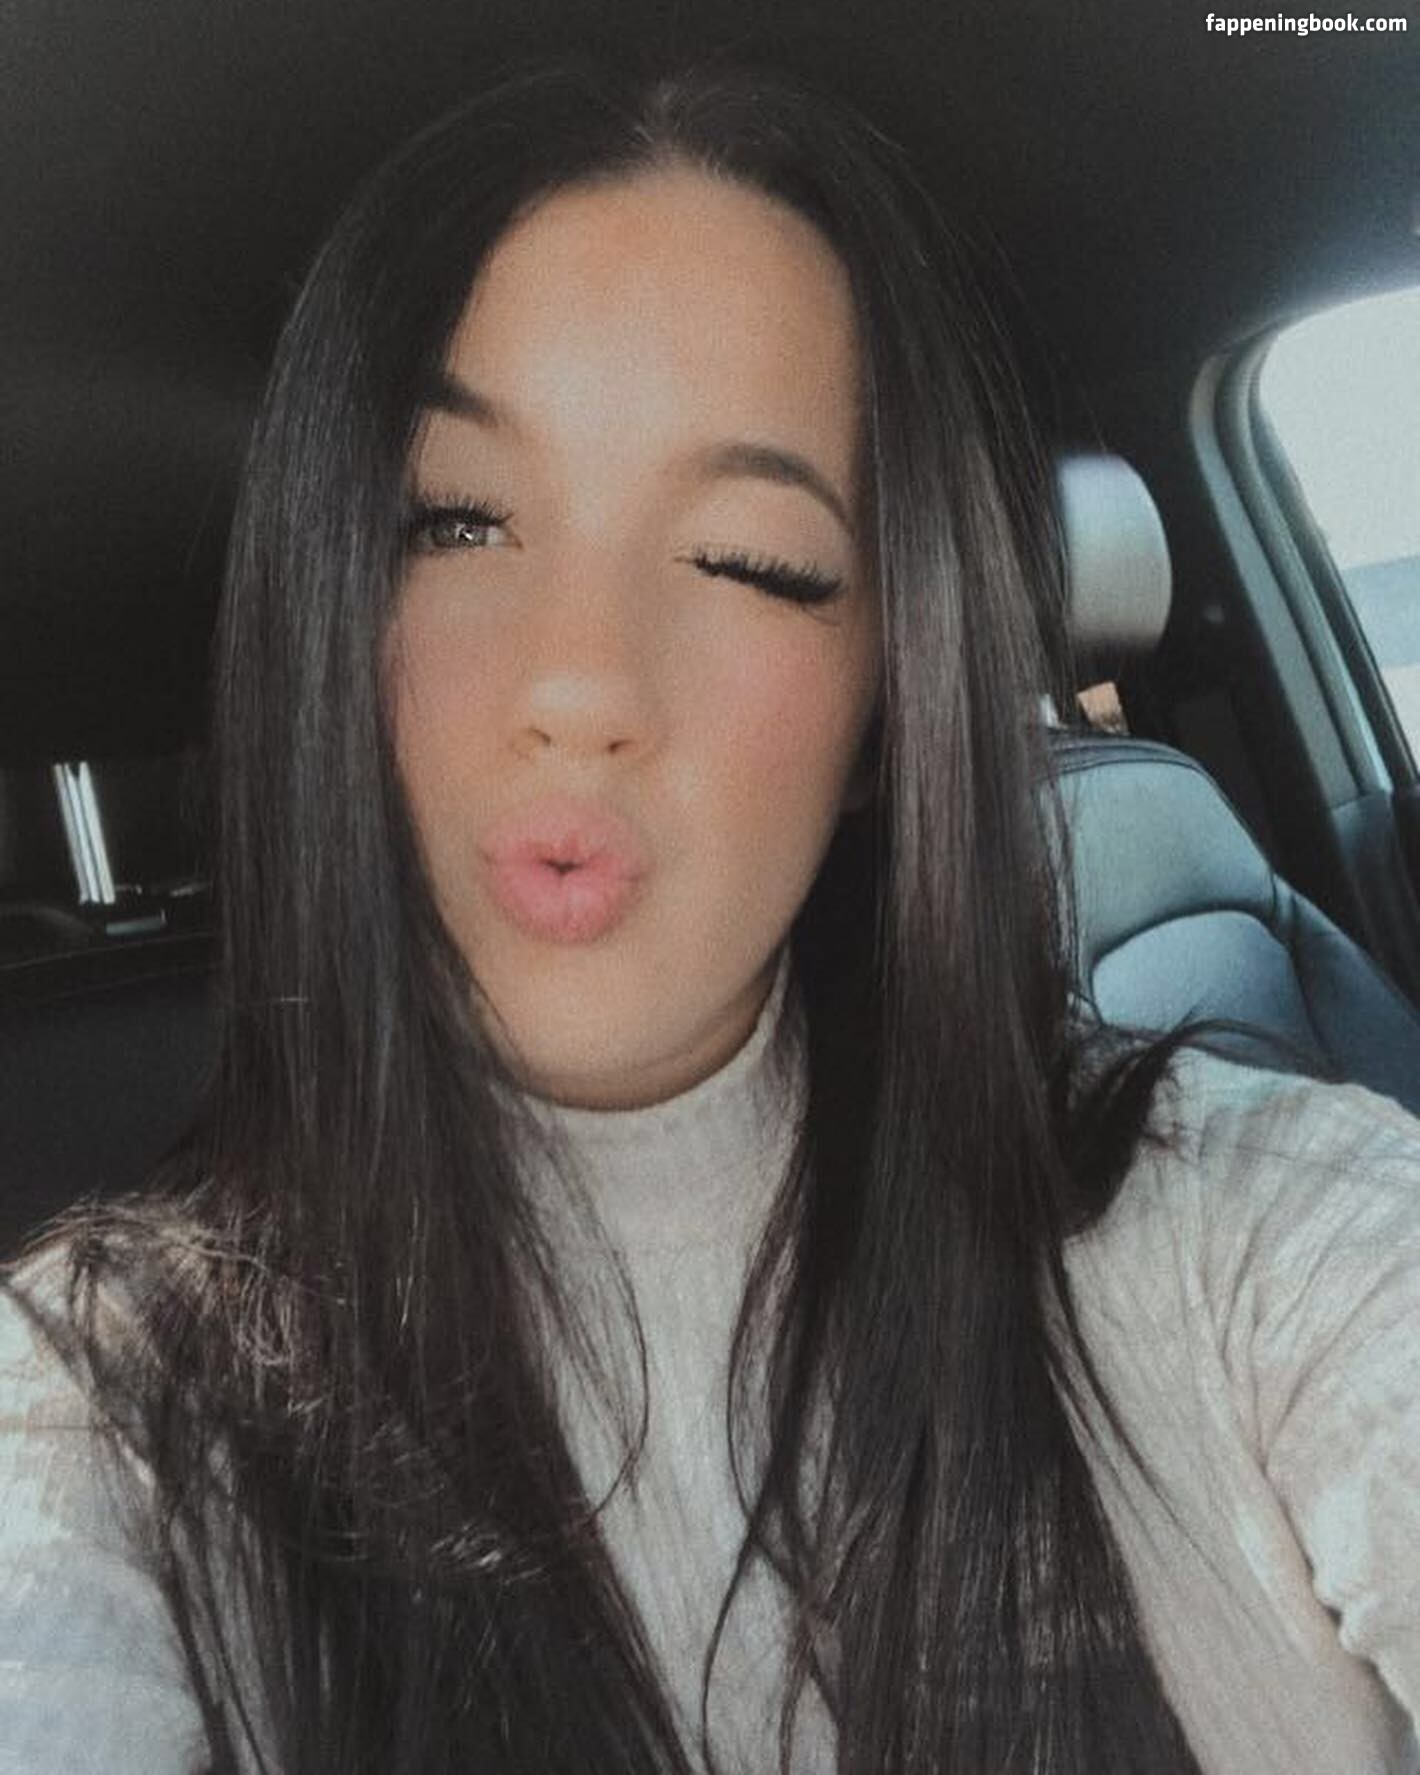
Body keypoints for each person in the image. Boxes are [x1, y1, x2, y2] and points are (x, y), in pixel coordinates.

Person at [2, 60, 1418, 1775]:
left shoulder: (1245, 1234)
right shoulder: (97, 1420)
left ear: (886, 695)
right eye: (455, 520)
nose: (581, 684)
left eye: (749, 561)